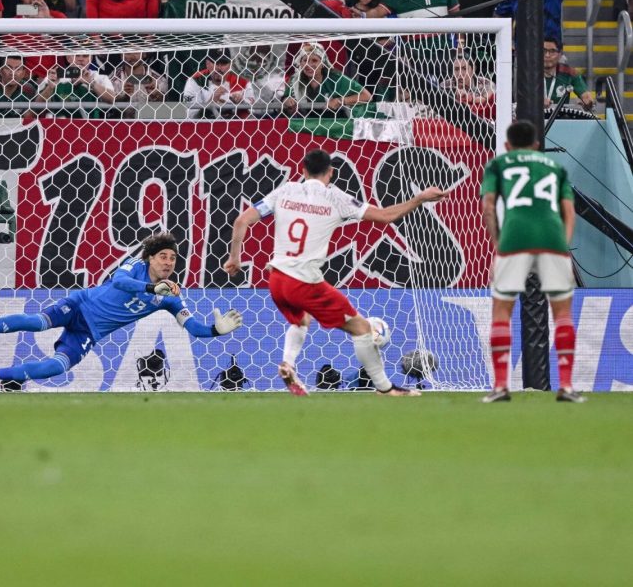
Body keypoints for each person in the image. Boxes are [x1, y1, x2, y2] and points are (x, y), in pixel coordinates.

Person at [223, 149, 447, 396]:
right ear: (330, 172)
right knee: (361, 328)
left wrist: (235, 258)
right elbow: (385, 216)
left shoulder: (284, 190)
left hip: (276, 280)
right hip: (304, 282)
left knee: (301, 319)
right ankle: (386, 388)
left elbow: (241, 221)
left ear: (303, 170)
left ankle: (288, 363)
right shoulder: (335, 197)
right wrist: (420, 198)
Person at [0, 232, 244, 393]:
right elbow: (121, 283)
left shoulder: (170, 299)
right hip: (79, 304)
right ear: (150, 258)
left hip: (89, 332)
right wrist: (153, 289)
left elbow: (194, 329)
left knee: (58, 367)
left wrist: (216, 330)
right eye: (162, 256)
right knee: (37, 322)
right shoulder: (135, 268)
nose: (168, 263)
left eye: (173, 259)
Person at [479, 120, 584, 403]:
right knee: (562, 315)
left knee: (502, 312)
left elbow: (488, 209)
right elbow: (569, 213)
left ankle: (501, 387)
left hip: (514, 240)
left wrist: (498, 248)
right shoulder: (556, 168)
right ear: (537, 145)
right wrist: (563, 246)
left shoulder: (499, 164)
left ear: (507, 146)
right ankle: (566, 387)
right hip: (553, 241)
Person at [281, 42, 373, 118]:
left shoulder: (335, 78)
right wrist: (286, 101)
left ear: (323, 63)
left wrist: (340, 101)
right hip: (305, 128)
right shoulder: (295, 80)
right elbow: (287, 101)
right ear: (300, 63)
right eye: (305, 60)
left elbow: (367, 96)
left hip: (334, 128)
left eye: (314, 60)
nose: (309, 65)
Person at [182, 48, 255, 120]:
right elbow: (191, 117)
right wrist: (211, 103)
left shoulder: (242, 81)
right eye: (216, 62)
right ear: (207, 63)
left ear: (230, 64)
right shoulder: (195, 81)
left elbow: (253, 115)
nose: (219, 68)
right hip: (205, 128)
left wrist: (242, 104)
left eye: (224, 63)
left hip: (236, 128)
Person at [542, 37, 594, 111]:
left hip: (560, 119)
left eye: (552, 51)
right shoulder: (527, 74)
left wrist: (587, 101)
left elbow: (586, 96)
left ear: (560, 54)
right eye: (543, 50)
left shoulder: (569, 72)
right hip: (531, 119)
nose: (547, 55)